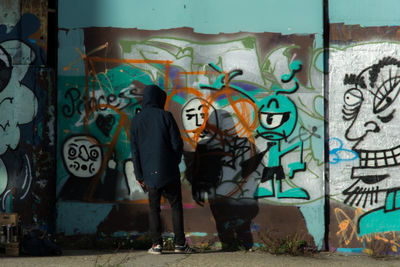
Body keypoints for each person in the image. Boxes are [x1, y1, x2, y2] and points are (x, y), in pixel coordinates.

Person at [130, 84, 192, 254]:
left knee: (153, 208)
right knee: (176, 206)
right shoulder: (165, 116)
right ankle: (180, 244)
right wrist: (174, 161)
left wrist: (139, 174)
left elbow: (135, 151)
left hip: (149, 174)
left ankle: (157, 245)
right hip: (169, 171)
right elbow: (177, 143)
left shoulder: (136, 120)